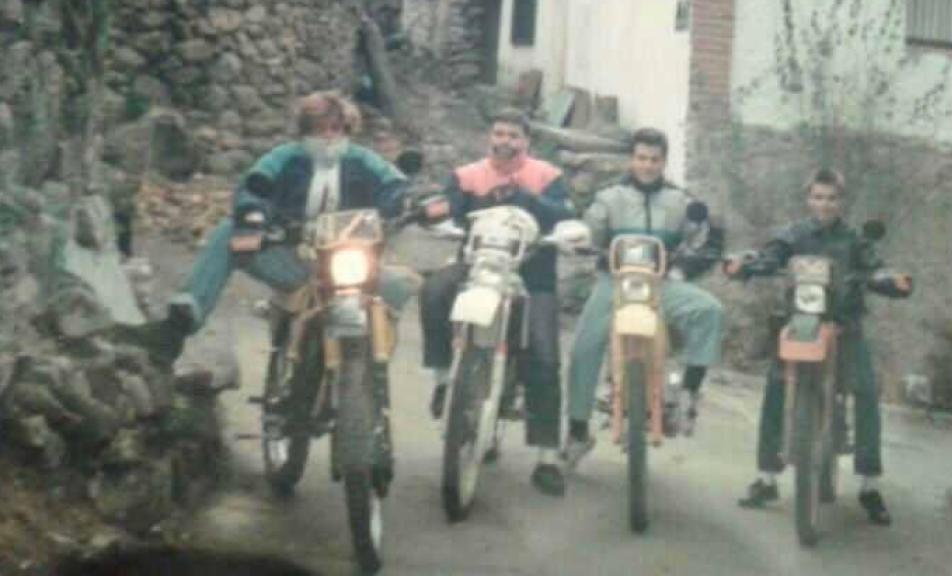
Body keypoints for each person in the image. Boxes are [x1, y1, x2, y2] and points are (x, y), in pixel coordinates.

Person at [127, 91, 419, 367]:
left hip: (352, 263)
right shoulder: (284, 157)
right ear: (305, 130)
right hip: (295, 259)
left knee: (400, 285)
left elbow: (395, 185)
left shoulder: (364, 160)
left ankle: (372, 365)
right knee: (229, 233)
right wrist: (254, 214)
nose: (329, 136)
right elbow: (255, 184)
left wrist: (402, 204)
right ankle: (182, 320)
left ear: (347, 129)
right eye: (319, 129)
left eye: (336, 128)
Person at [732, 168, 904, 526]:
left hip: (843, 326)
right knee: (776, 387)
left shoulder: (855, 240)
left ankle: (869, 483)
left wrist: (888, 279)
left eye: (832, 198)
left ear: (841, 202)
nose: (825, 205)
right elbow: (772, 254)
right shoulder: (793, 234)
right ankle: (767, 477)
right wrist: (750, 264)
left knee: (866, 389)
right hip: (801, 325)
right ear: (808, 199)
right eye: (818, 197)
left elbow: (874, 265)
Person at [419, 108, 575, 497]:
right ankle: (443, 380)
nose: (505, 142)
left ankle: (547, 457)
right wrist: (431, 212)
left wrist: (526, 198)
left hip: (531, 276)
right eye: (499, 133)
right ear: (490, 137)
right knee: (434, 291)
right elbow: (446, 207)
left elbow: (563, 216)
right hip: (476, 267)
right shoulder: (467, 175)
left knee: (544, 354)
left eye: (514, 136)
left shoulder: (547, 177)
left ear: (527, 141)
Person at [563, 128, 725, 468]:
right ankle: (578, 431)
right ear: (631, 160)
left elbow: (706, 240)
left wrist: (684, 268)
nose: (647, 165)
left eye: (654, 159)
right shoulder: (608, 197)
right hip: (614, 282)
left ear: (664, 162)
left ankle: (688, 393)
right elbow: (588, 232)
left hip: (660, 284)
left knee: (710, 310)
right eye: (641, 158)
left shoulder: (681, 201)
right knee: (584, 347)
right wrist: (582, 242)